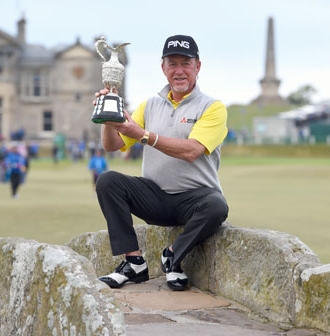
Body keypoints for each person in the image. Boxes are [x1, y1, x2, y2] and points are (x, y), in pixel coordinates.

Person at [94, 35, 229, 291]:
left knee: (216, 205)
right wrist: (108, 119)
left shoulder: (213, 107)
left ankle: (172, 256)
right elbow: (113, 145)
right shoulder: (149, 105)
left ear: (197, 67)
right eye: (172, 64)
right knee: (108, 181)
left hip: (194, 200)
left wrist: (143, 135)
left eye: (185, 64)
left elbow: (193, 151)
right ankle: (133, 263)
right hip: (154, 197)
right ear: (163, 68)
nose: (179, 71)